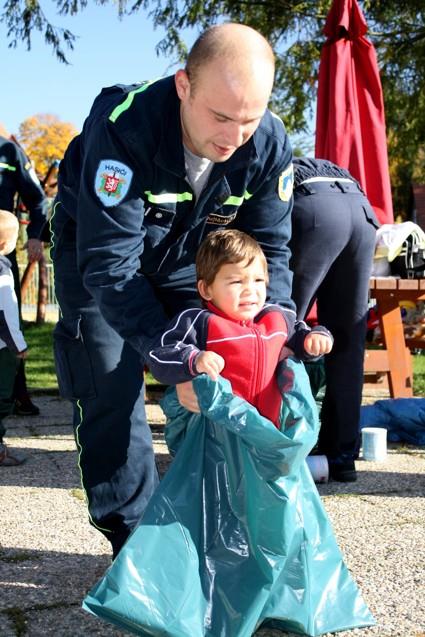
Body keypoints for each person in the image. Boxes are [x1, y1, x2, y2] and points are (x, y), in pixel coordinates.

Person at [52, 22, 297, 558]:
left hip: (191, 258)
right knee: (111, 382)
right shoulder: (125, 128)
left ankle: (211, 523)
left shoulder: (270, 142)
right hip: (97, 256)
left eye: (249, 120)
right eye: (220, 117)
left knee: (224, 371)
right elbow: (112, 268)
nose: (234, 137)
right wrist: (172, 357)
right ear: (184, 85)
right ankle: (135, 541)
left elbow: (271, 253)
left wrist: (274, 330)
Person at [147, 229, 333, 426]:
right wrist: (193, 359)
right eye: (236, 281)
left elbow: (302, 340)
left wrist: (316, 338)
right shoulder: (198, 323)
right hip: (216, 436)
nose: (250, 290)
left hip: (268, 431)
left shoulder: (277, 319)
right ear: (206, 289)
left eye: (258, 280)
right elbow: (159, 357)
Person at [289, 156, 380, 482]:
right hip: (361, 208)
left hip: (312, 205)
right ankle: (341, 457)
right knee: (348, 342)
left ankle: (278, 447)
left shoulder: (257, 155)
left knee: (278, 331)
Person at [0, 134, 47, 416]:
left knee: (6, 319)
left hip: (1, 251)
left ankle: (16, 395)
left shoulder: (9, 151)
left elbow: (37, 198)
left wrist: (35, 236)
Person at [0, 210, 28, 466]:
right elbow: (7, 315)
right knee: (2, 397)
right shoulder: (3, 273)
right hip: (3, 348)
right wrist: (19, 346)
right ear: (4, 245)